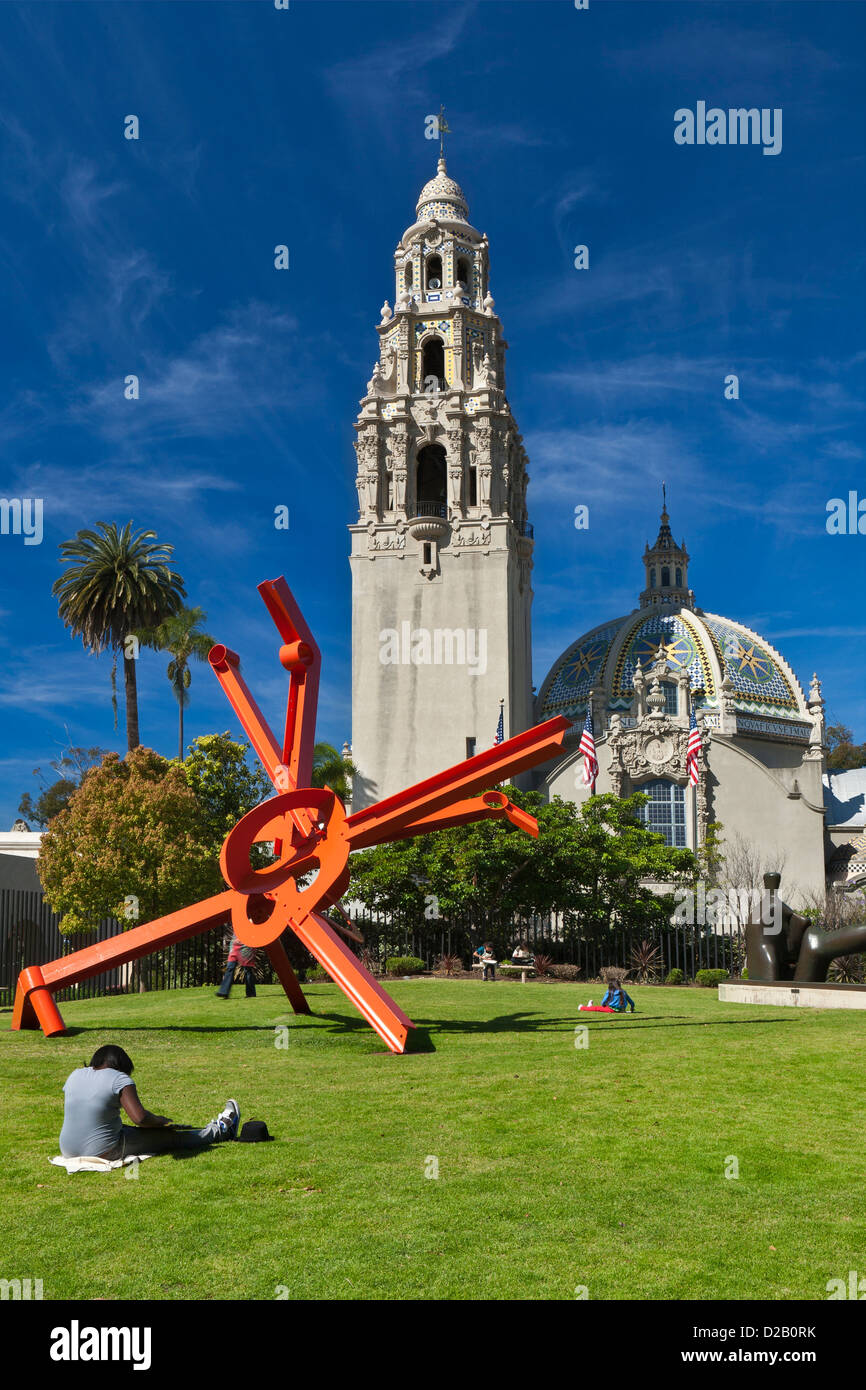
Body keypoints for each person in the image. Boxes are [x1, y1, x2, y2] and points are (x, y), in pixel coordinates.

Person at [59, 1043, 240, 1160]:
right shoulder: (119, 1079)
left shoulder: (75, 1075)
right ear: (122, 1066)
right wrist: (160, 1121)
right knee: (171, 1138)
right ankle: (222, 1131)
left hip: (67, 1150)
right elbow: (140, 1118)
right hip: (104, 1150)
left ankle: (218, 1130)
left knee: (130, 1131)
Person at [217, 933, 257, 999]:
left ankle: (251, 993)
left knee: (248, 970)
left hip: (247, 944)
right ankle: (224, 992)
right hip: (235, 944)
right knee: (230, 967)